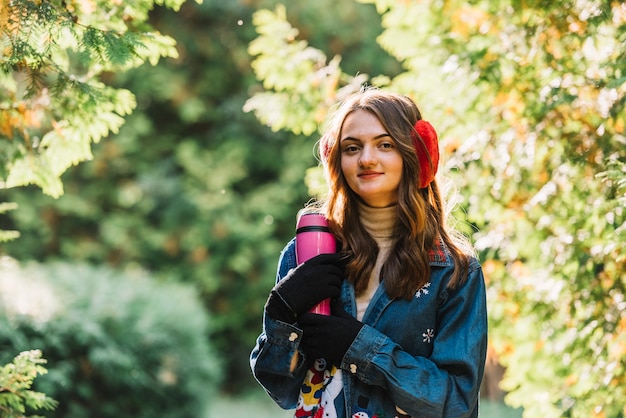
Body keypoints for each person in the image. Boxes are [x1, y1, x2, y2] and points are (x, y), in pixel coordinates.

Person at [250, 87, 488, 418]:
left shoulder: (453, 272)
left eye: (384, 144)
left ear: (416, 155)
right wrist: (279, 313)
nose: (366, 158)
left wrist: (358, 347)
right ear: (337, 160)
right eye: (352, 147)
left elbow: (455, 403)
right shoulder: (305, 255)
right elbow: (282, 388)